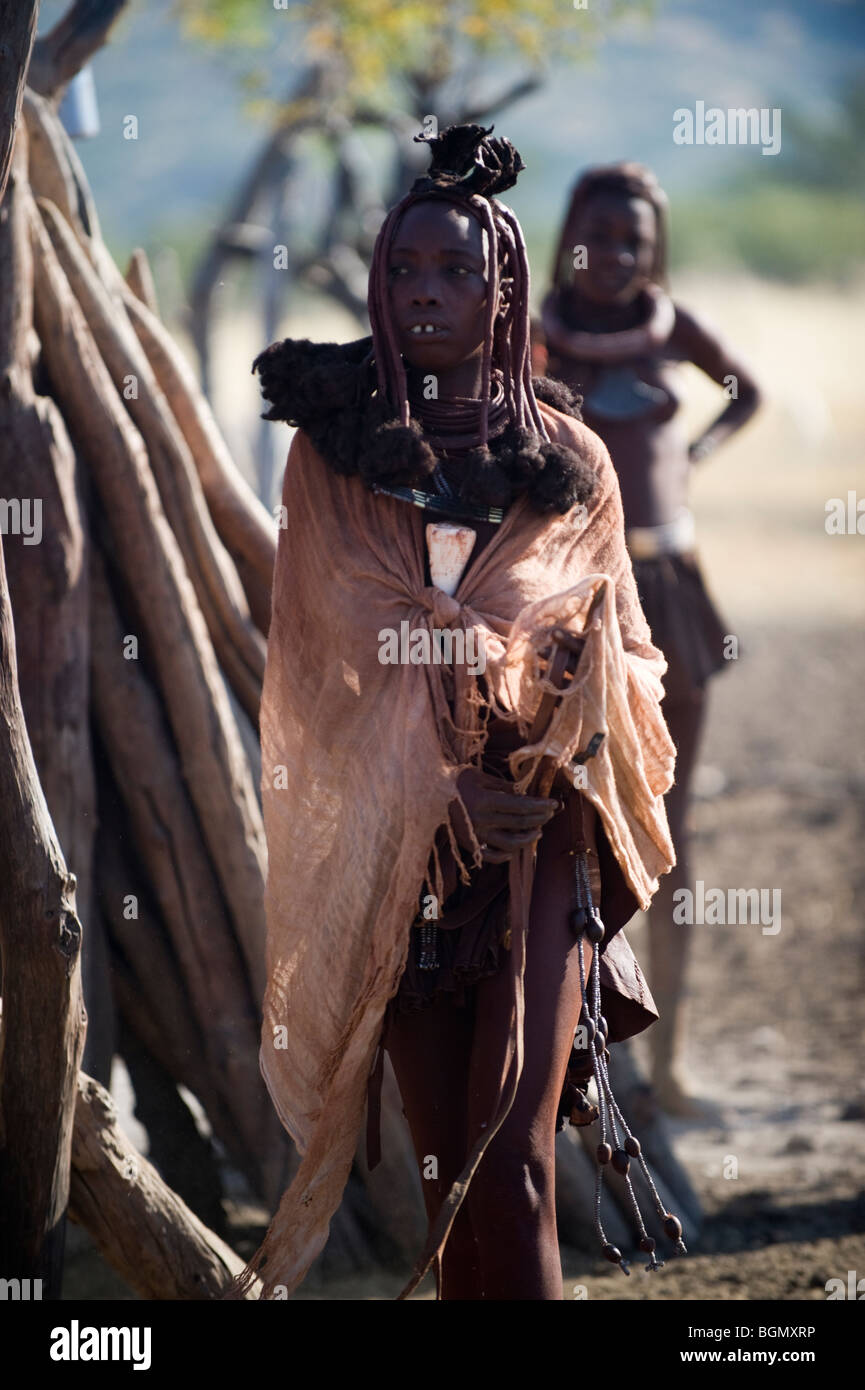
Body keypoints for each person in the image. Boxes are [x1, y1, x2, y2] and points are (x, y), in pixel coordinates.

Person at [230, 127, 677, 1303]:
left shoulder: (568, 461)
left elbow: (625, 654)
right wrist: (433, 786)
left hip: (534, 844)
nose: (427, 292)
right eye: (405, 272)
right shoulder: (335, 464)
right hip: (404, 851)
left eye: (456, 272)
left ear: (504, 289)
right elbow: (321, 669)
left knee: (510, 1158)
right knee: (444, 1175)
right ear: (378, 287)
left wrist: (548, 751)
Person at [533, 163, 762, 1115]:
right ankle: (578, 1060)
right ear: (566, 240)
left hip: (666, 582)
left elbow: (742, 393)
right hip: (567, 594)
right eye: (598, 236)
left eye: (635, 240)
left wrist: (689, 458)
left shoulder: (673, 327)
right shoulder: (533, 335)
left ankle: (667, 1073)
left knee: (668, 820)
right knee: (568, 817)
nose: (616, 255)